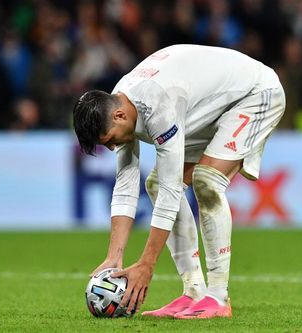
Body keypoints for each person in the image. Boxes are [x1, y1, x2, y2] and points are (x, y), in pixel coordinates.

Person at [73, 44, 285, 319]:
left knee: (207, 181)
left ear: (119, 116)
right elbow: (126, 181)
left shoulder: (157, 103)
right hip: (209, 106)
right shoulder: (119, 105)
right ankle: (193, 291)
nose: (113, 147)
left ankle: (218, 298)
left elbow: (174, 191)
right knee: (157, 184)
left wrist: (146, 265)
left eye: (110, 140)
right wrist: (115, 257)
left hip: (256, 93)